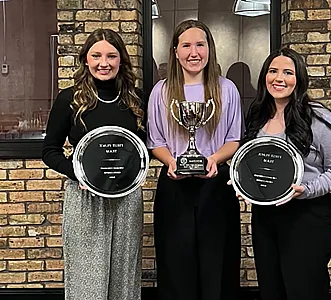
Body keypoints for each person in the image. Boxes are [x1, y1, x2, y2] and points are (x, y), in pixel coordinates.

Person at [240, 47, 331, 300]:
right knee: (271, 289)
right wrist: (245, 184)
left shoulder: (319, 117)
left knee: (304, 290)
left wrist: (306, 190)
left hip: (307, 216)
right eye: (273, 71)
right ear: (264, 77)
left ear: (299, 79)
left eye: (288, 73)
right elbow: (252, 163)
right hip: (265, 216)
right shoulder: (257, 116)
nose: (279, 78)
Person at [42, 29, 145, 300]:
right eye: (96, 55)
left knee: (125, 279)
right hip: (85, 198)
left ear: (121, 59)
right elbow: (50, 151)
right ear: (85, 60)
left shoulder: (135, 98)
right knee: (87, 280)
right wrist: (77, 173)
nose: (104, 62)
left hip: (126, 197)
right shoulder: (69, 99)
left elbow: (143, 148)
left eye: (111, 55)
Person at [146, 20, 243, 300]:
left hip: (216, 185)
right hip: (174, 184)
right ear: (175, 51)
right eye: (186, 45)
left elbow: (234, 140)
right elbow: (156, 142)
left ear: (209, 49)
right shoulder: (161, 92)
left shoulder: (227, 90)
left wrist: (213, 159)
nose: (194, 52)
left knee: (217, 264)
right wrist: (172, 162)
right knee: (176, 266)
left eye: (200, 44)